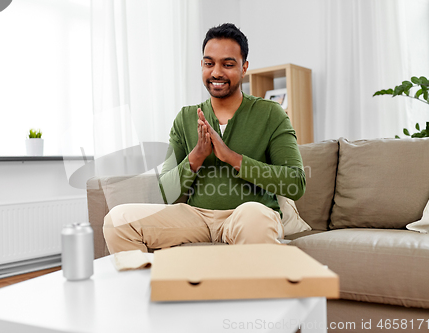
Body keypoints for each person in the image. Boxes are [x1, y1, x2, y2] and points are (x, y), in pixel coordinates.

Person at [103, 23, 305, 254]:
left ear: (244, 67)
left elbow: (296, 183)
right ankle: (150, 289)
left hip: (248, 214)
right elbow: (166, 193)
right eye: (209, 63)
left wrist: (233, 158)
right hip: (196, 217)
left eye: (228, 64)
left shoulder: (270, 113)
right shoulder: (186, 117)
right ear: (202, 65)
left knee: (254, 217)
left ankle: (250, 289)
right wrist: (195, 158)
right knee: (117, 220)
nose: (216, 72)